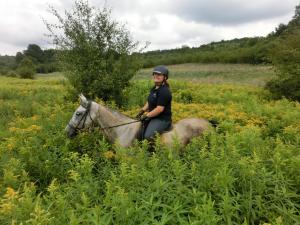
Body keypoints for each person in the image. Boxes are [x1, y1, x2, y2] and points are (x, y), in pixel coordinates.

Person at [136, 65, 172, 141]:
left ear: (165, 77)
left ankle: (155, 151)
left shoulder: (164, 91)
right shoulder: (154, 88)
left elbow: (159, 109)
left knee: (148, 136)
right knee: (138, 130)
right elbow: (149, 102)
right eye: (154, 74)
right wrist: (142, 111)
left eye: (159, 74)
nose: (156, 76)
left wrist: (147, 115)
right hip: (153, 116)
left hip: (162, 119)